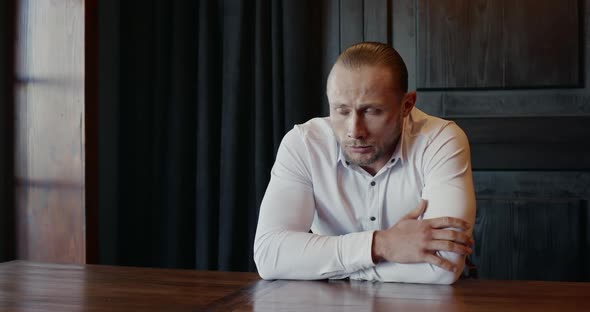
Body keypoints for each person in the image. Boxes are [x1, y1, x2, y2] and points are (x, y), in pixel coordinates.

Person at [253, 42, 476, 284]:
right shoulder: (304, 144)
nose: (355, 131)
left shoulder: (440, 140)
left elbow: (443, 265)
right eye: (342, 111)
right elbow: (269, 256)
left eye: (371, 111)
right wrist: (381, 244)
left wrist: (330, 268)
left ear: (407, 105)